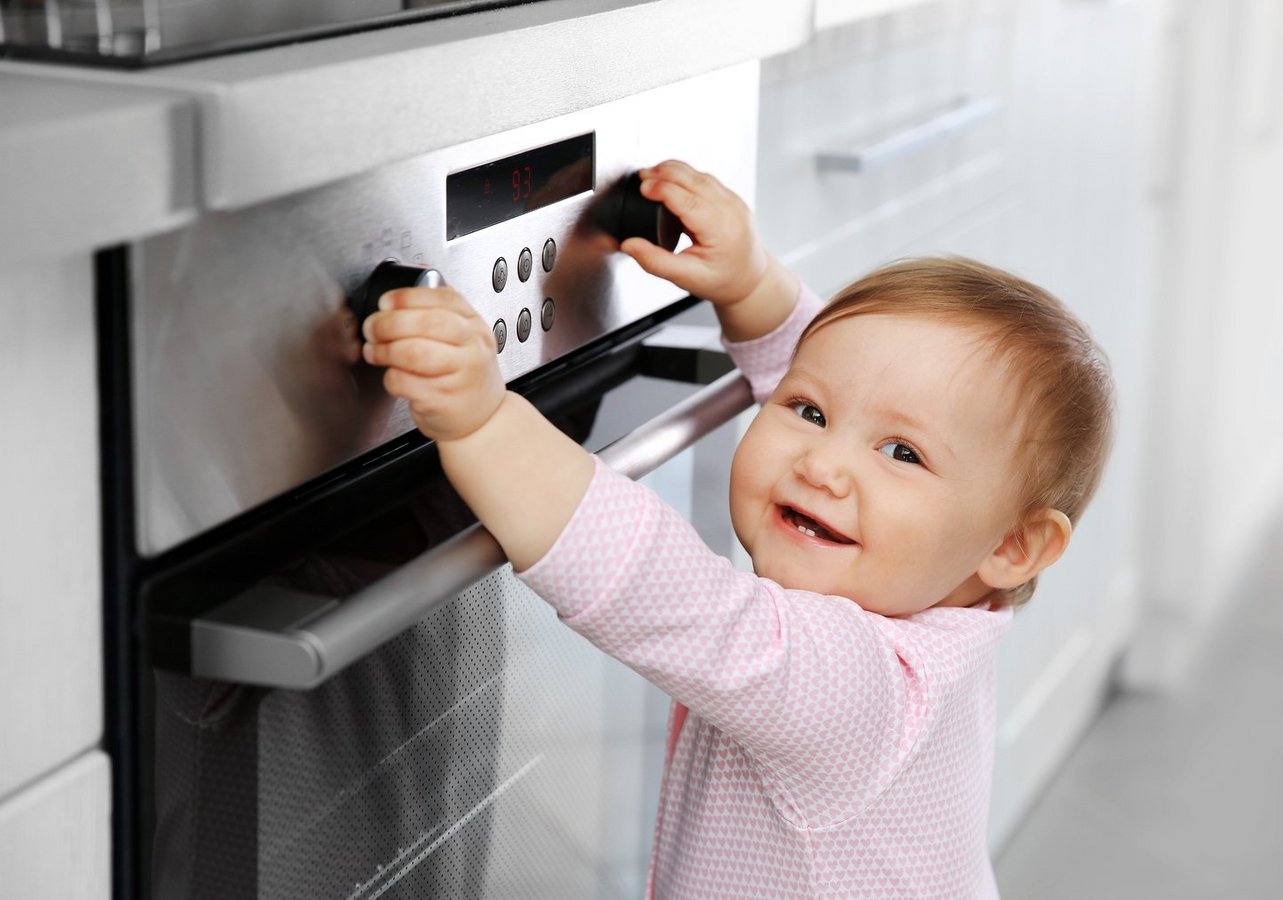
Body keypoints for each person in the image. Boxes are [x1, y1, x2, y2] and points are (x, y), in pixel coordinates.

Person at [360, 160, 1115, 897]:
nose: (824, 466)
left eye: (902, 454)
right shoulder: (950, 602)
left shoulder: (863, 694)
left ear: (1014, 546)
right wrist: (756, 288)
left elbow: (671, 594)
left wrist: (486, 424)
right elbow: (840, 370)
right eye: (809, 414)